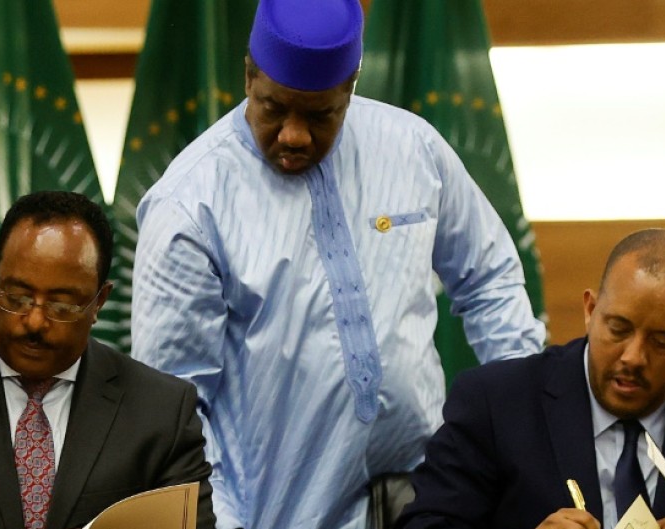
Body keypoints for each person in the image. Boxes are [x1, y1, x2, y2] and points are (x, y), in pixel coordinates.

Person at [129, 0, 546, 527]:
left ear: (350, 87)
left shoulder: (413, 149)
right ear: (248, 76)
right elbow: (175, 407)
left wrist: (522, 429)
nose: (294, 135)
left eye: (321, 115)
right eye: (273, 108)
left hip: (433, 502)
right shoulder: (190, 203)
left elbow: (489, 278)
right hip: (273, 516)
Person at [396, 228, 665, 529]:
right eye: (619, 329)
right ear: (590, 310)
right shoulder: (496, 403)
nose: (633, 357)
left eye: (662, 341)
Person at [0, 191, 215, 529]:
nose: (34, 321)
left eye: (61, 305)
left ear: (99, 302)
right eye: (16, 297)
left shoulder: (161, 413)